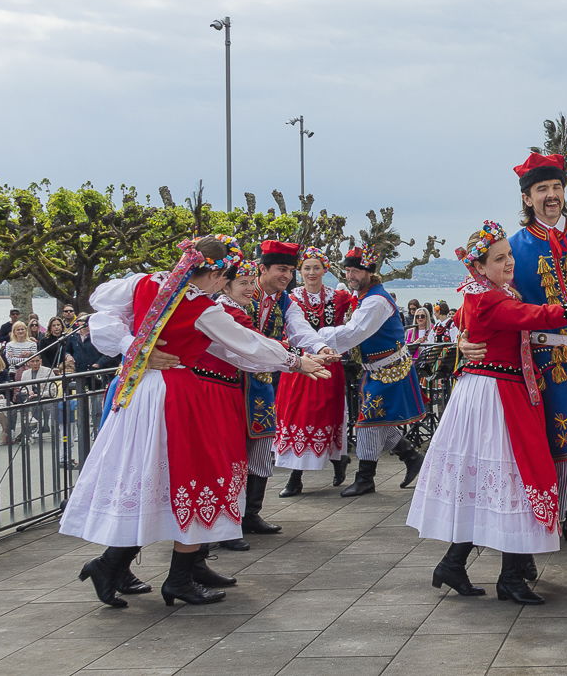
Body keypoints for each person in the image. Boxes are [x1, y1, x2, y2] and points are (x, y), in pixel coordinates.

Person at [60, 235, 331, 609]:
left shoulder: (146, 282)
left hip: (140, 392)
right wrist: (295, 362)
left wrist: (132, 346)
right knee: (195, 476)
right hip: (177, 395)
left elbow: (102, 308)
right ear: (213, 273)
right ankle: (176, 578)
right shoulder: (199, 307)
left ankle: (116, 566)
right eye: (223, 279)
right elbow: (244, 342)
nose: (223, 286)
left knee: (150, 478)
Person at [461, 152, 567, 584]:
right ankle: (532, 547)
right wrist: (461, 340)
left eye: (556, 188)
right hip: (545, 370)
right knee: (552, 465)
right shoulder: (512, 249)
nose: (551, 195)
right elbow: (479, 303)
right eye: (542, 189)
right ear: (528, 197)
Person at [408, 221, 567, 605]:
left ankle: (458, 564)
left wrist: (462, 337)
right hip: (496, 396)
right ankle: (506, 576)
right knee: (512, 479)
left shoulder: (489, 292)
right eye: (499, 258)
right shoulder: (490, 297)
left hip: (496, 391)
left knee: (498, 481)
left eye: (509, 255)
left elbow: (463, 321)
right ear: (479, 266)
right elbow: (534, 317)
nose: (509, 262)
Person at [236, 241, 333, 537]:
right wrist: (297, 358)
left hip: (262, 382)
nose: (287, 276)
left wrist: (321, 346)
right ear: (262, 268)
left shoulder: (284, 301)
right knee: (233, 450)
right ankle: (229, 520)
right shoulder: (239, 294)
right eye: (282, 269)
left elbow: (299, 327)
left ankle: (251, 513)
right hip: (232, 382)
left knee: (263, 446)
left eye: (291, 270)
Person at [316, 244, 426, 497]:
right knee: (377, 421)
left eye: (355, 271)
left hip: (389, 369)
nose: (350, 276)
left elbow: (354, 333)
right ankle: (411, 457)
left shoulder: (376, 300)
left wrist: (316, 336)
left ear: (368, 273)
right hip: (378, 369)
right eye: (347, 271)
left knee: (367, 423)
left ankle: (365, 478)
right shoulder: (368, 297)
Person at [275, 247, 352, 498]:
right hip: (300, 365)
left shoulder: (339, 297)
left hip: (328, 363)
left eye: (316, 267)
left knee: (326, 414)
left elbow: (352, 322)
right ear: (301, 271)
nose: (311, 272)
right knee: (298, 415)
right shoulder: (291, 298)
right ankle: (295, 477)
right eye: (306, 268)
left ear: (324, 270)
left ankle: (337, 460)